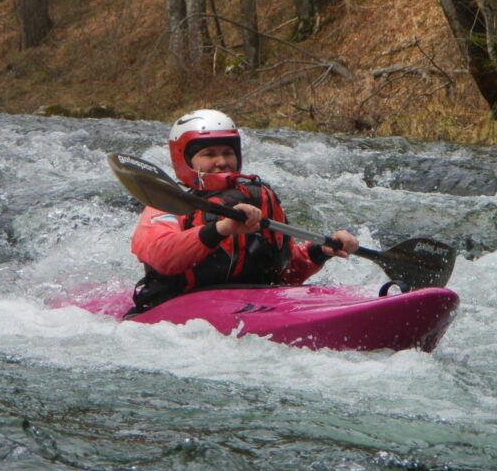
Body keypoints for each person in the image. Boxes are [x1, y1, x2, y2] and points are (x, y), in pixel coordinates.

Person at [127, 109, 359, 317]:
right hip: (179, 308)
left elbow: (285, 273)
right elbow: (161, 256)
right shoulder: (165, 204)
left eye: (228, 152)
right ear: (185, 159)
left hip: (253, 305)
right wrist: (220, 229)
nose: (222, 162)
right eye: (209, 154)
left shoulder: (259, 197)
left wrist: (319, 252)